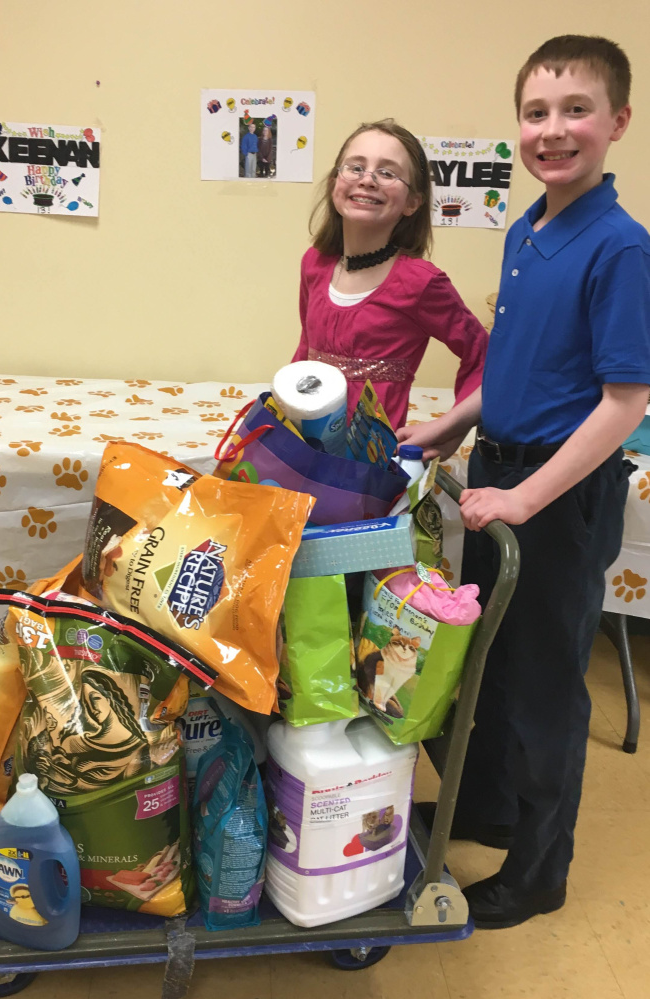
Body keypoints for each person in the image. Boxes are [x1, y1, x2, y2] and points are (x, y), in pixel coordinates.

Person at [398, 35, 650, 929]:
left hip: (555, 498)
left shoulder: (620, 247)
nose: (554, 129)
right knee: (489, 668)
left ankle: (540, 868)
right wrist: (451, 422)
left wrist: (526, 495)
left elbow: (624, 402)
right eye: (536, 113)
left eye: (575, 109)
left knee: (544, 684)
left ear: (617, 121)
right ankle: (483, 810)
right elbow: (516, 361)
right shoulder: (526, 228)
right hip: (497, 473)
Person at [292, 118, 488, 430]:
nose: (367, 180)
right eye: (355, 167)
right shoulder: (314, 263)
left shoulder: (422, 283)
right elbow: (305, 351)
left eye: (387, 173)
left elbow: (483, 356)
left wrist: (451, 427)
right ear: (334, 183)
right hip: (302, 444)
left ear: (413, 202)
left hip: (367, 462)